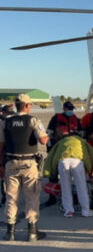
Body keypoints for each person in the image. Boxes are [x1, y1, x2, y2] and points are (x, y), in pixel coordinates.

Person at [0, 94, 48, 241]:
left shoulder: (5, 122)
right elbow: (43, 140)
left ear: (15, 106)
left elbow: (0, 145)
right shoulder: (33, 120)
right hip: (28, 164)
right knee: (32, 196)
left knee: (11, 197)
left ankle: (10, 232)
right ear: (27, 106)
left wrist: (1, 164)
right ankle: (32, 232)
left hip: (11, 163)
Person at [43, 135, 93, 217]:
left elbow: (50, 156)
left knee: (65, 188)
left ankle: (69, 211)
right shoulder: (82, 141)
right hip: (77, 162)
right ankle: (85, 211)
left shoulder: (60, 142)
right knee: (81, 187)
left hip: (63, 162)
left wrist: (46, 172)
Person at [44, 101, 83, 207]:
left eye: (72, 109)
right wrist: (50, 150)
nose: (71, 111)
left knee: (74, 175)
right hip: (58, 150)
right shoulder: (55, 119)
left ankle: (73, 196)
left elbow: (81, 133)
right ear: (64, 109)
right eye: (69, 109)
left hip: (72, 151)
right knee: (53, 175)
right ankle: (52, 197)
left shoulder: (76, 120)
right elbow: (49, 134)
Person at [0, 105, 15, 207]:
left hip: (8, 153)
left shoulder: (5, 123)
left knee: (6, 178)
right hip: (6, 153)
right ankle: (5, 197)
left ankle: (6, 197)